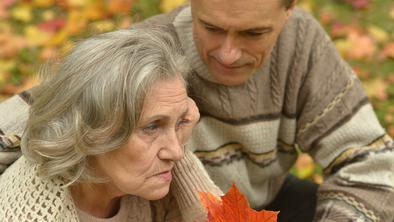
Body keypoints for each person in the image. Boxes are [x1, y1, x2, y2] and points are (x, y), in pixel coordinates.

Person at [1, 0, 394, 221]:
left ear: (287, 13)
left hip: (259, 203)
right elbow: (55, 109)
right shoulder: (151, 51)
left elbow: (368, 163)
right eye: (211, 28)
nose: (227, 53)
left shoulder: (303, 46)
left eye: (253, 34)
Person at [0, 26, 222, 221]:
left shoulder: (146, 184)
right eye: (152, 126)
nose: (177, 153)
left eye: (180, 122)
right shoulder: (29, 214)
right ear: (88, 130)